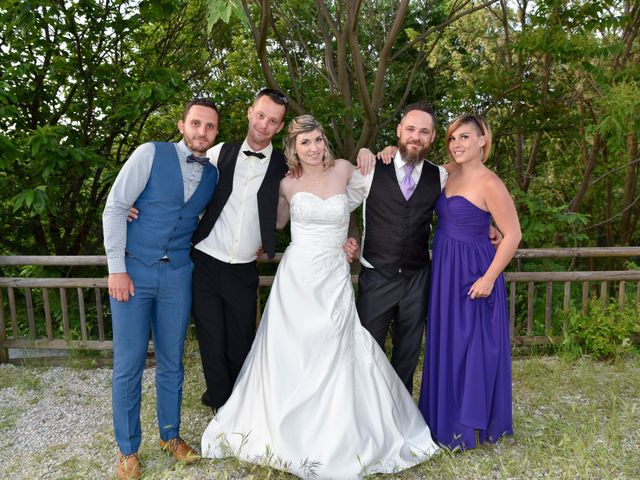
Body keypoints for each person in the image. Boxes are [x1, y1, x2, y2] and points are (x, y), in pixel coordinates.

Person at [200, 114, 439, 479]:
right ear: (294, 148)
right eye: (304, 143)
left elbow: (378, 194)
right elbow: (272, 221)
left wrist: (352, 236)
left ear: (325, 141)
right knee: (291, 349)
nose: (312, 149)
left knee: (337, 348)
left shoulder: (345, 169)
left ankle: (342, 425)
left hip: (333, 275)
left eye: (316, 140)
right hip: (296, 276)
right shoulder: (286, 183)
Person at [103, 98, 220, 479]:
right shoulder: (149, 153)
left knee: (172, 360)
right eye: (196, 124)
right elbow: (116, 206)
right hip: (133, 272)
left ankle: (170, 435)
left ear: (216, 133)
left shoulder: (212, 176)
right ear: (181, 124)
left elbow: (203, 219)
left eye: (210, 127)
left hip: (177, 276)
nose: (202, 132)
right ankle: (127, 449)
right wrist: (116, 268)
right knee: (130, 363)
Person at [418, 114, 521, 450]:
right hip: (445, 269)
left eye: (464, 137)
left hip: (474, 273)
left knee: (471, 347)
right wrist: (389, 150)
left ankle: (468, 423)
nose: (457, 144)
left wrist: (490, 278)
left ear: (482, 141)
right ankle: (442, 418)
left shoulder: (490, 182)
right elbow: (412, 165)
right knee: (448, 342)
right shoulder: (447, 173)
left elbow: (512, 235)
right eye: (451, 138)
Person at [189, 88, 290, 412]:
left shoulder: (285, 165)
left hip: (245, 265)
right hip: (205, 259)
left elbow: (283, 216)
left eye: (272, 120)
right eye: (260, 115)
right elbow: (186, 185)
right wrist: (138, 206)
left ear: (280, 126)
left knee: (240, 342)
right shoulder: (220, 153)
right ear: (249, 112)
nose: (264, 124)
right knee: (211, 339)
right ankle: (222, 404)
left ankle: (237, 397)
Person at [349, 102, 447, 394]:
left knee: (407, 352)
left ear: (431, 138)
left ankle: (401, 415)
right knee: (366, 351)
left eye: (424, 132)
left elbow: (465, 203)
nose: (416, 136)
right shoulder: (370, 169)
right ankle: (366, 414)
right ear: (399, 132)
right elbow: (336, 205)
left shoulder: (439, 176)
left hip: (417, 278)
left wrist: (490, 226)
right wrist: (341, 239)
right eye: (411, 129)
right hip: (377, 276)